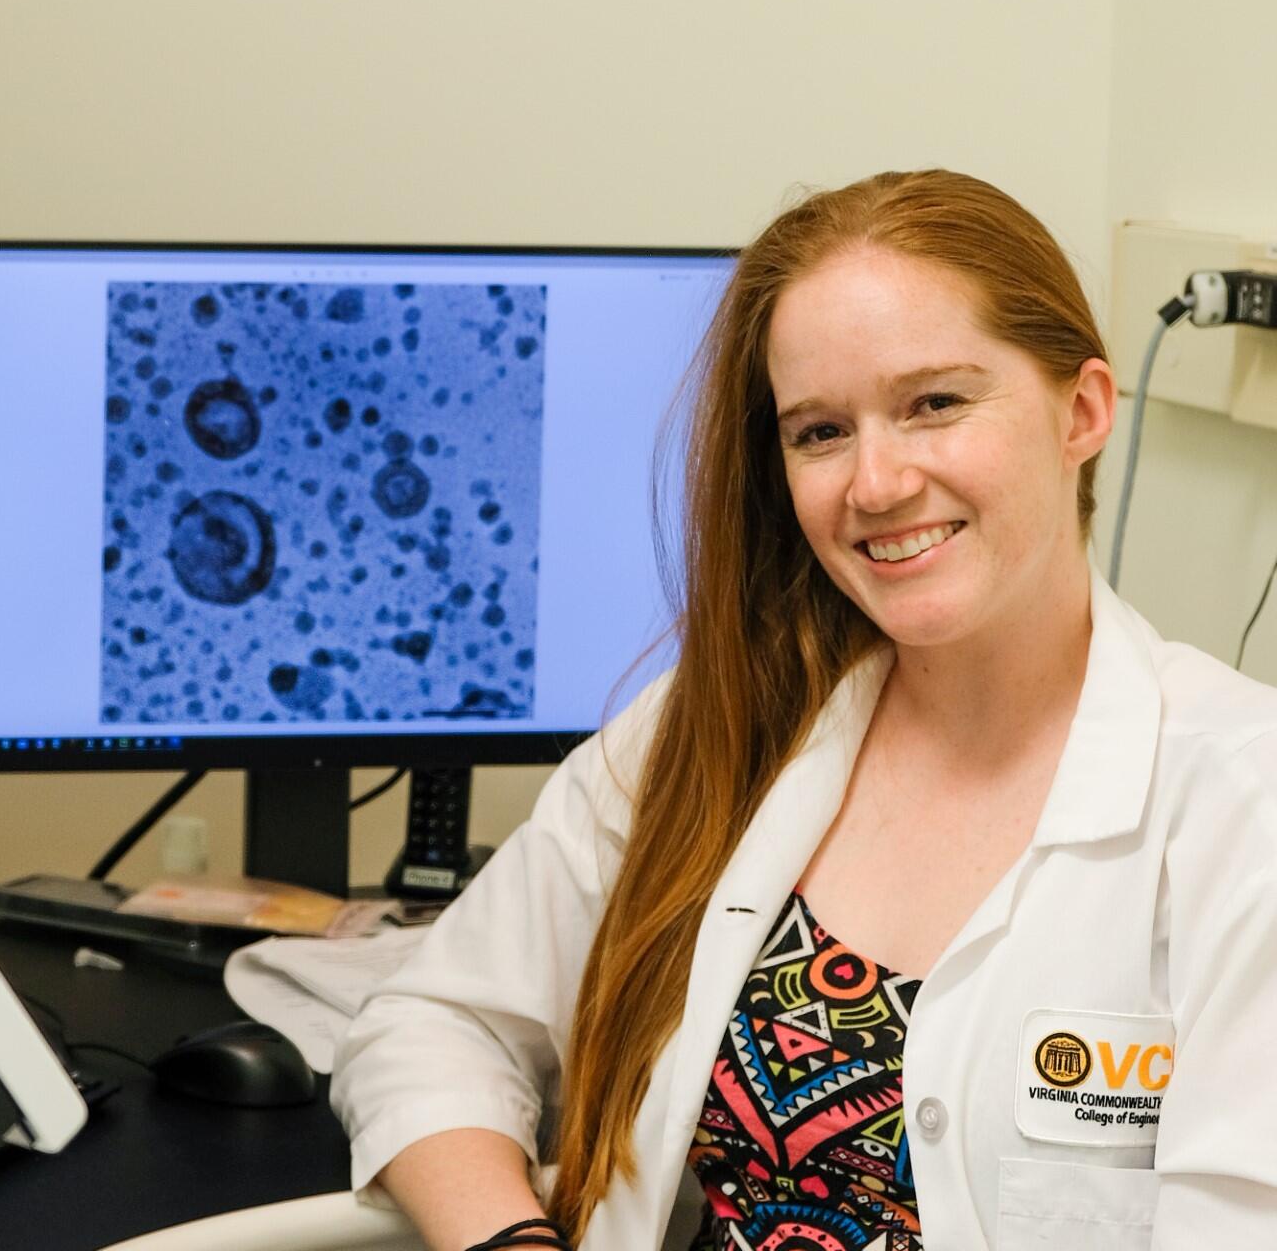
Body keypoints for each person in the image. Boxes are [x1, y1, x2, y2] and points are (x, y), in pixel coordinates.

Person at [331, 169, 1277, 1251]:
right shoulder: (723, 724)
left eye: (935, 402)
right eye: (820, 431)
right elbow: (431, 1023)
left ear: (1083, 409)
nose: (874, 483)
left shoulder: (1240, 804)